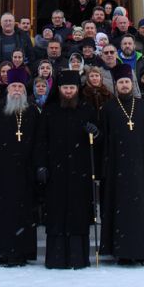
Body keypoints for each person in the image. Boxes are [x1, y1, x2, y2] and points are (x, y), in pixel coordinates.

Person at [100, 64, 144, 266]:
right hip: (116, 170)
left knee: (141, 213)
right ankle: (121, 252)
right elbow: (103, 141)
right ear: (116, 85)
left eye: (127, 82)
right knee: (119, 211)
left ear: (132, 83)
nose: (124, 85)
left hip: (140, 169)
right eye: (120, 82)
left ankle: (141, 252)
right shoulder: (108, 108)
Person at [35, 70, 99, 269]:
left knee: (79, 215)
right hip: (55, 173)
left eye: (72, 88)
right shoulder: (50, 111)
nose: (69, 91)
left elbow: (99, 139)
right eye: (65, 88)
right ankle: (56, 258)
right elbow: (40, 141)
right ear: (59, 89)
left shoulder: (87, 109)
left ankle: (78, 258)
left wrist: (95, 133)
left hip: (81, 173)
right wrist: (41, 165)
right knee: (56, 214)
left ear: (77, 89)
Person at [0, 67, 39, 267]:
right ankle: (2, 252)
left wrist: (37, 168)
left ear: (24, 90)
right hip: (1, 172)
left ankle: (22, 253)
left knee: (23, 214)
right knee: (2, 215)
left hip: (25, 173)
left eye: (20, 87)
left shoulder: (32, 111)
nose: (16, 90)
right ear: (7, 88)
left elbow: (39, 143)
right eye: (13, 86)